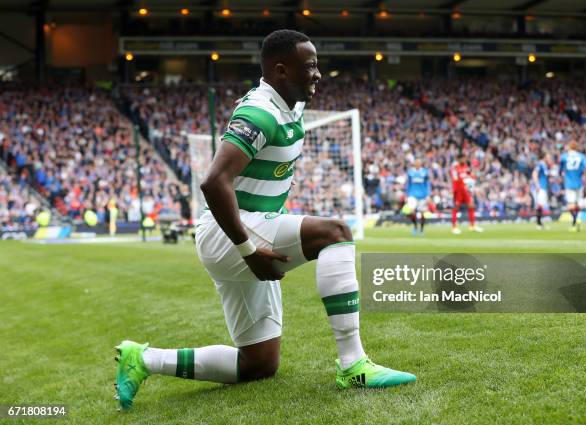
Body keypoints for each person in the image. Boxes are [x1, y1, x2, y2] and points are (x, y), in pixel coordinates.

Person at [114, 29, 415, 411]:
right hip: (230, 236)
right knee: (335, 233)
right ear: (281, 70)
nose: (319, 74)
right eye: (310, 66)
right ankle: (354, 365)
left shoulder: (292, 102)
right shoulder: (260, 112)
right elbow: (212, 181)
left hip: (249, 230)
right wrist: (248, 249)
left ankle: (142, 359)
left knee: (258, 363)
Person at [559, 141, 586, 232]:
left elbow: (560, 169)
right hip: (579, 183)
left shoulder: (564, 157)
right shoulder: (581, 157)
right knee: (577, 204)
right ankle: (577, 219)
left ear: (570, 147)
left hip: (569, 183)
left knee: (571, 205)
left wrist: (560, 174)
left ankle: (575, 221)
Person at [450, 154, 483, 234]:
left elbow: (471, 176)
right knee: (456, 207)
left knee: (471, 206)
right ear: (459, 159)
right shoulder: (455, 168)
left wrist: (472, 178)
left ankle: (472, 225)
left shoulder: (466, 167)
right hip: (458, 190)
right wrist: (465, 180)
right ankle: (454, 227)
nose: (464, 160)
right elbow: (455, 179)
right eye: (463, 159)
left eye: (465, 158)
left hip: (465, 190)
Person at [402, 158, 430, 235]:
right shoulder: (410, 172)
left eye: (419, 162)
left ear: (421, 163)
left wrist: (428, 195)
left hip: (422, 195)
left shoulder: (425, 172)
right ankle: (415, 227)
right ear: (414, 163)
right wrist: (406, 195)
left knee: (422, 213)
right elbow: (408, 184)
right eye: (416, 162)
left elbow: (427, 184)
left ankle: (421, 229)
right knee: (412, 211)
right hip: (412, 194)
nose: (417, 163)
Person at [531, 152, 551, 230]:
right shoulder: (540, 164)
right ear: (544, 157)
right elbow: (534, 173)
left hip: (543, 187)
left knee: (541, 206)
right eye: (548, 156)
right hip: (540, 188)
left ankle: (540, 223)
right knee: (539, 205)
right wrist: (537, 185)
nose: (549, 158)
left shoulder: (545, 165)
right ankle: (538, 224)